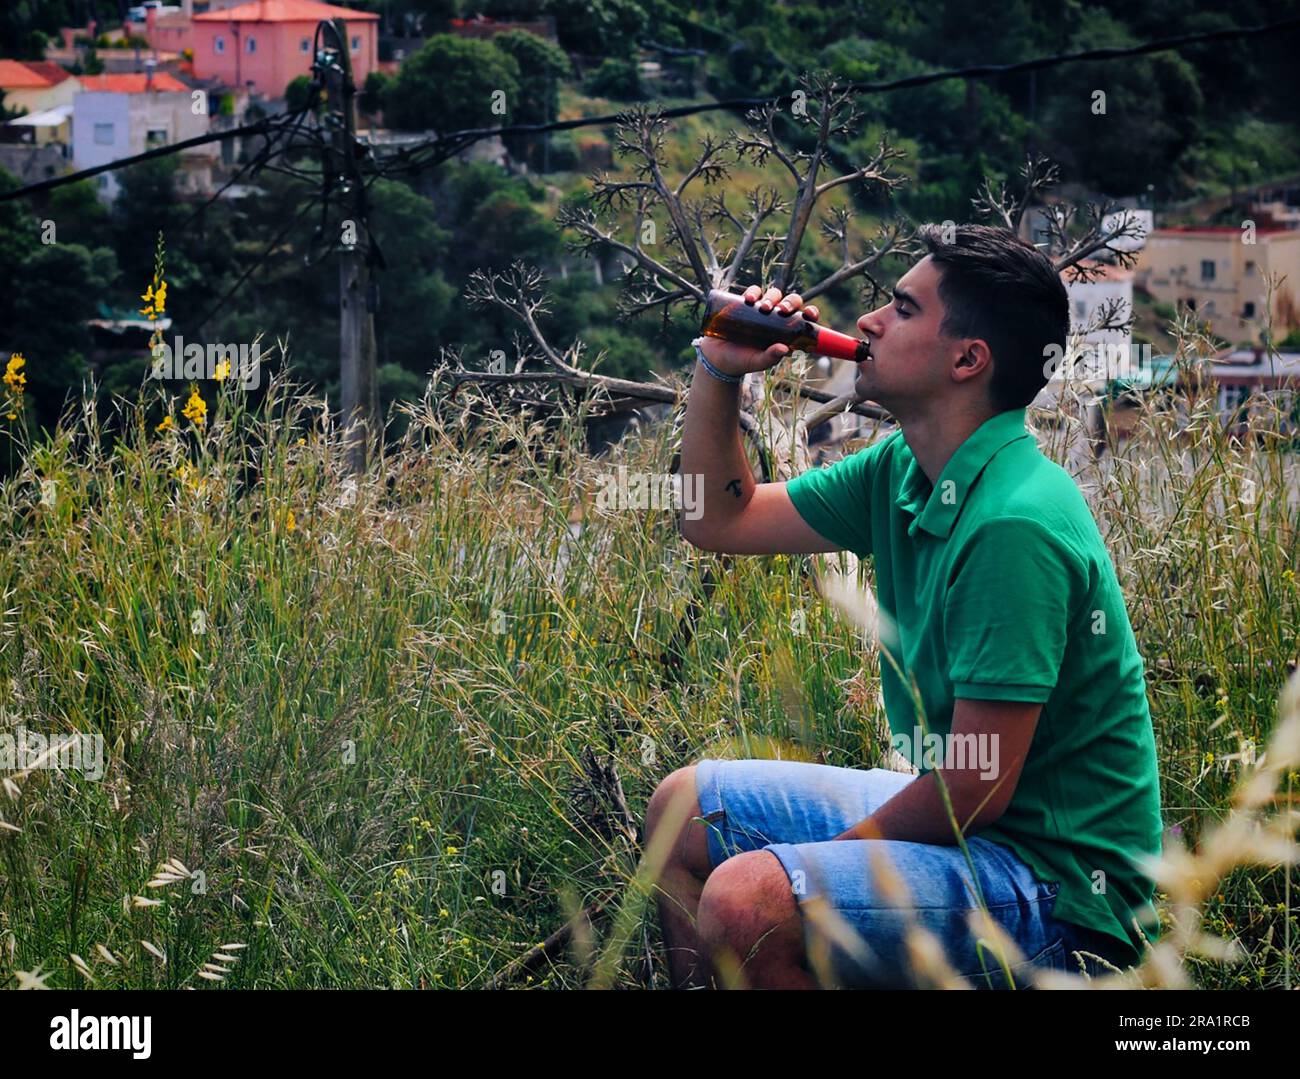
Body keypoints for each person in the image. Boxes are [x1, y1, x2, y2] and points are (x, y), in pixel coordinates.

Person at [644, 224, 1164, 989]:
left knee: (751, 900)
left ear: (967, 359)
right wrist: (719, 371)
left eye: (903, 308)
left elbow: (972, 786)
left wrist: (813, 865)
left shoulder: (1013, 521)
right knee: (681, 809)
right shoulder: (904, 467)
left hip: (1060, 897)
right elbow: (716, 519)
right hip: (978, 836)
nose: (868, 322)